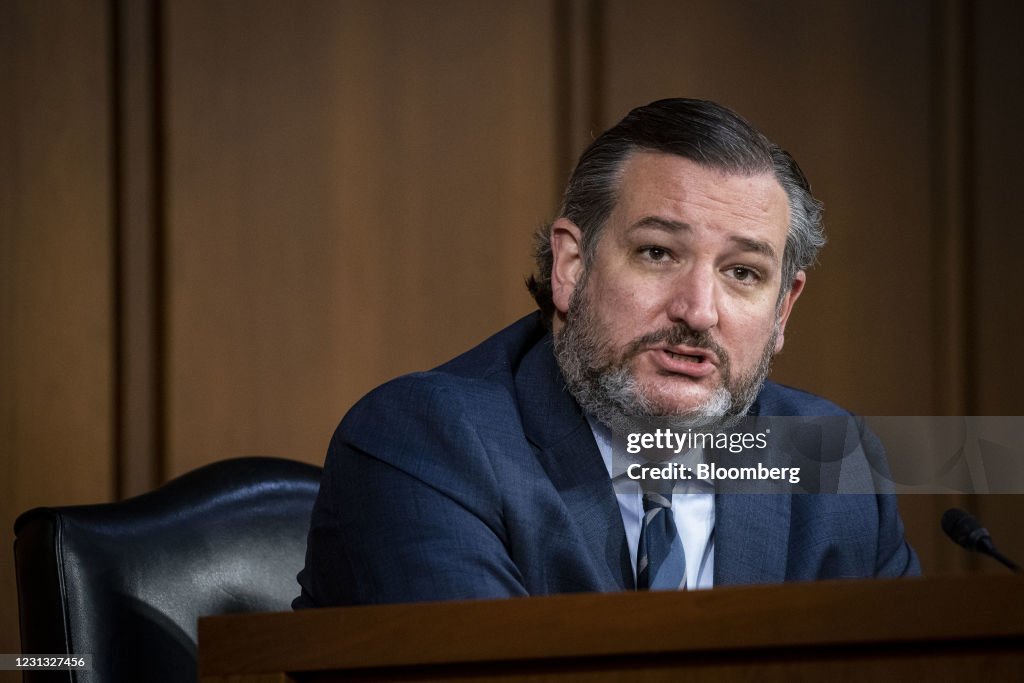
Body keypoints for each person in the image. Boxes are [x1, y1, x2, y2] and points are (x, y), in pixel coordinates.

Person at [293, 98, 919, 608]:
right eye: (657, 253)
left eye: (744, 273)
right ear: (571, 266)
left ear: (783, 308)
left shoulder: (831, 466)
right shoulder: (428, 442)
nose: (698, 311)